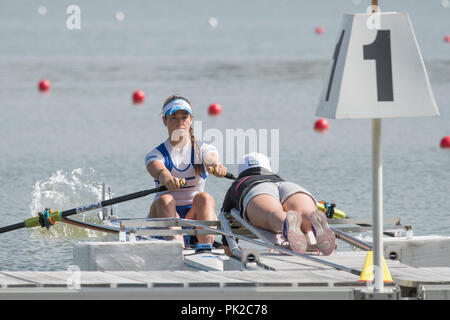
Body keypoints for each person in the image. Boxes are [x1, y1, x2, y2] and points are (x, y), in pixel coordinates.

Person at [145, 95, 227, 249]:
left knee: (204, 198)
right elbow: (157, 169)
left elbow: (211, 160)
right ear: (165, 121)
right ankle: (178, 247)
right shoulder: (156, 155)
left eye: (184, 117)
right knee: (166, 199)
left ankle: (205, 248)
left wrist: (216, 166)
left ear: (191, 119)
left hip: (193, 217)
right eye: (174, 117)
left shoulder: (204, 149)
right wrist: (166, 177)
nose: (180, 122)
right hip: (163, 216)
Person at [221, 152, 335, 255]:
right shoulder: (277, 177)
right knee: (304, 212)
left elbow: (225, 218)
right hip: (288, 186)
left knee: (274, 214)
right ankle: (312, 219)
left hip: (255, 189)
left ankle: (286, 222)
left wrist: (230, 249)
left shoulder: (238, 183)